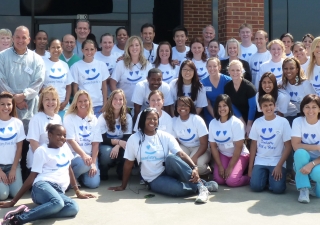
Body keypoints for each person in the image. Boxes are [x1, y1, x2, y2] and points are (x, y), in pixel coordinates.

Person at [109, 107, 218, 203]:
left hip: (168, 169)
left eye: (155, 119)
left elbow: (181, 153)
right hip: (154, 178)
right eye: (149, 118)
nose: (152, 121)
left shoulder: (165, 136)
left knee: (171, 158)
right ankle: (205, 185)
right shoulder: (134, 139)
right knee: (176, 190)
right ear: (142, 120)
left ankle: (201, 188)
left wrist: (194, 167)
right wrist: (123, 186)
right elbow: (128, 164)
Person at [0, 124, 95, 224]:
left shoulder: (65, 148)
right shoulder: (42, 151)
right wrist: (13, 201)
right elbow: (32, 176)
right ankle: (16, 220)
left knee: (73, 208)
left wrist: (77, 191)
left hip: (58, 191)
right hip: (42, 187)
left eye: (64, 135)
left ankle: (29, 212)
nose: (62, 138)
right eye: (59, 134)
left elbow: (69, 169)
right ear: (49, 135)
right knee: (58, 203)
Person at [0, 26, 45, 181]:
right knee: (9, 140)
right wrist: (14, 100)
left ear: (29, 39)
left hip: (30, 107)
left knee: (26, 141)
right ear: (13, 38)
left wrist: (23, 96)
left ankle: (25, 174)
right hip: (7, 108)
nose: (20, 40)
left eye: (23, 37)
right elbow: (1, 79)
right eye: (17, 37)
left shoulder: (36, 59)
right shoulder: (2, 57)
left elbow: (38, 82)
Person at [248, 94, 292, 194]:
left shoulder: (283, 122)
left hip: (277, 160)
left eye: (270, 105)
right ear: (260, 108)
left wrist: (279, 165)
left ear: (275, 106)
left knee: (278, 189)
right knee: (255, 187)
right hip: (261, 160)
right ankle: (266, 178)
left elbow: (288, 146)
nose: (268, 108)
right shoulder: (257, 122)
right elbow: (253, 145)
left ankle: (271, 180)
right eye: (265, 106)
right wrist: (250, 168)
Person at [63, 90, 102, 189]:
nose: (83, 103)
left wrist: (93, 163)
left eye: (85, 101)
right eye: (80, 101)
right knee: (83, 164)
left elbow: (95, 143)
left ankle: (81, 177)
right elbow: (71, 140)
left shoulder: (94, 119)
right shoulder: (69, 118)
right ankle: (72, 178)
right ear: (75, 103)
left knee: (93, 184)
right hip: (75, 156)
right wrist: (84, 156)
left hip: (89, 157)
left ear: (89, 102)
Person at [209, 94, 250, 187]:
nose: (222, 108)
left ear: (229, 107)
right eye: (219, 106)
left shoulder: (236, 123)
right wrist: (219, 166)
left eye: (224, 105)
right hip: (223, 154)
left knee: (232, 181)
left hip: (240, 155)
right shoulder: (212, 123)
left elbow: (239, 147)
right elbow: (213, 147)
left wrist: (230, 167)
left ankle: (248, 178)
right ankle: (233, 172)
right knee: (219, 180)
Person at [110, 36, 153, 112]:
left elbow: (152, 85)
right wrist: (119, 100)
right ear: (128, 48)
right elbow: (112, 83)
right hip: (124, 107)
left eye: (137, 45)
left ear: (141, 47)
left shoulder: (147, 65)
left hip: (142, 107)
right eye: (131, 45)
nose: (134, 48)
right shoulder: (121, 64)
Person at [98, 89, 132, 180]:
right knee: (106, 153)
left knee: (128, 150)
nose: (118, 101)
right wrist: (118, 142)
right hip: (106, 144)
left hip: (122, 144)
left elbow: (127, 137)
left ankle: (121, 171)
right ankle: (104, 169)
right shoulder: (103, 117)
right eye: (115, 99)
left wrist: (118, 145)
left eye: (120, 99)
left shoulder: (128, 117)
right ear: (110, 100)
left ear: (124, 101)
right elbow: (102, 138)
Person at [26, 86, 62, 174]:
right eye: (47, 99)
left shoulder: (58, 118)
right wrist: (47, 160)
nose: (50, 102)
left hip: (53, 161)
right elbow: (34, 144)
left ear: (57, 101)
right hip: (39, 162)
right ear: (42, 101)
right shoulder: (36, 119)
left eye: (53, 99)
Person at [291, 94, 320, 203]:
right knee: (299, 153)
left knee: (317, 175)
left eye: (314, 107)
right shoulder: (298, 121)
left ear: (319, 109)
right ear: (302, 109)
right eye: (307, 107)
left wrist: (311, 164)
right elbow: (295, 145)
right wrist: (317, 147)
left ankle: (315, 188)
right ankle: (304, 189)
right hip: (302, 160)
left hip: (318, 162)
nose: (310, 110)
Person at [173, 97, 211, 175]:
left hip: (200, 147)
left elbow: (204, 144)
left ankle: (208, 169)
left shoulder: (197, 120)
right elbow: (175, 142)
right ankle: (190, 174)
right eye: (179, 105)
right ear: (176, 108)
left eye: (185, 105)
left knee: (198, 165)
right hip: (184, 147)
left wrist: (194, 158)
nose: (182, 107)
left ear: (190, 107)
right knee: (178, 163)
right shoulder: (174, 121)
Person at [71, 39, 109, 118]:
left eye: (92, 49)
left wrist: (105, 103)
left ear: (95, 50)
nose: (89, 52)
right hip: (83, 105)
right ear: (82, 50)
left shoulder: (101, 65)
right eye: (86, 49)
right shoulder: (76, 66)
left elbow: (104, 86)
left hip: (99, 105)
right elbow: (75, 88)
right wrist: (76, 104)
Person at [0, 92, 25, 201]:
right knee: (3, 195)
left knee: (16, 194)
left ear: (13, 105)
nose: (6, 107)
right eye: (2, 104)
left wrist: (14, 169)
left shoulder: (18, 123)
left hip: (13, 165)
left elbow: (19, 148)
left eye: (9, 104)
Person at [224, 60, 256, 136]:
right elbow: (231, 105)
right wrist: (242, 122)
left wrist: (248, 124)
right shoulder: (227, 87)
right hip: (237, 117)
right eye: (232, 70)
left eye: (238, 70)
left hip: (251, 117)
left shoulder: (249, 87)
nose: (235, 73)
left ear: (242, 71)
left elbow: (253, 107)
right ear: (229, 71)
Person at [279, 57, 316, 123]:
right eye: (285, 68)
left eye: (292, 68)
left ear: (297, 70)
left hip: (310, 115)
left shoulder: (305, 84)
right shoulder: (282, 84)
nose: (288, 71)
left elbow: (315, 102)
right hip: (296, 115)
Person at [42, 39, 73, 120]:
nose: (56, 50)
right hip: (47, 105)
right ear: (48, 49)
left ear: (62, 48)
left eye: (58, 47)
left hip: (63, 106)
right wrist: (50, 102)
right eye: (53, 47)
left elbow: (68, 86)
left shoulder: (64, 65)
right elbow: (39, 85)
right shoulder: (42, 63)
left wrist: (66, 101)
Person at [201, 57, 231, 125]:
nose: (212, 69)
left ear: (219, 67)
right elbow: (207, 103)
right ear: (206, 67)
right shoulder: (203, 83)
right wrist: (216, 117)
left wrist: (223, 117)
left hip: (226, 113)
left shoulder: (228, 80)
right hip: (210, 115)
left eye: (214, 66)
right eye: (209, 66)